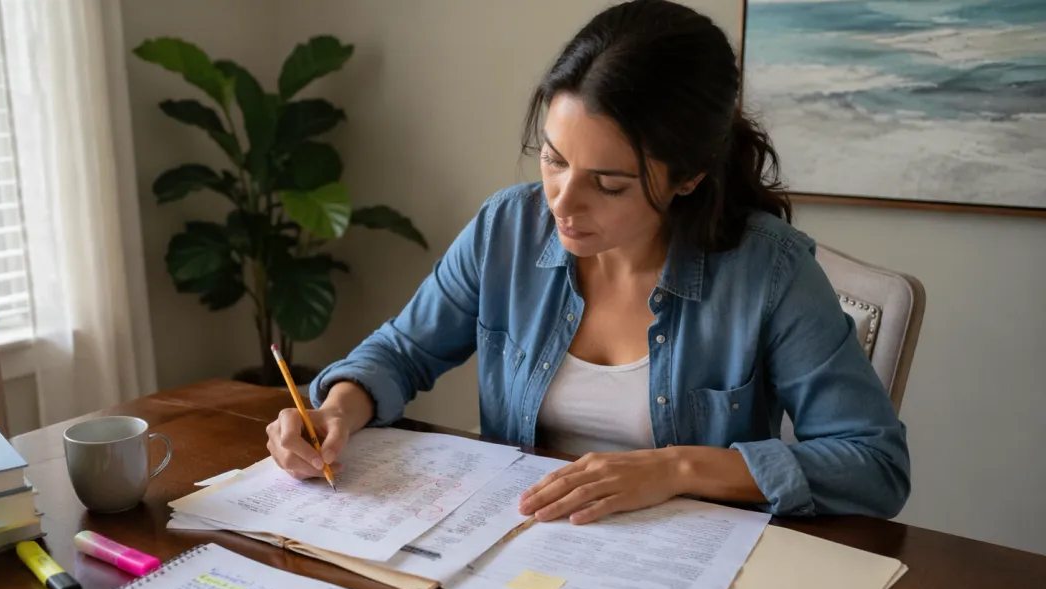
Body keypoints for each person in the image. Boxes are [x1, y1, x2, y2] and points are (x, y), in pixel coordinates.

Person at [265, 0, 910, 523]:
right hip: (518, 545)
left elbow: (873, 464)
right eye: (553, 159)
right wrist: (337, 410)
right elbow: (402, 352)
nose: (562, 203)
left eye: (608, 184)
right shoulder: (505, 229)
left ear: (686, 177)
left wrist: (674, 468)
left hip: (680, 572)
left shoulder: (768, 272)